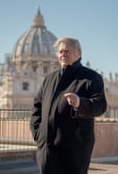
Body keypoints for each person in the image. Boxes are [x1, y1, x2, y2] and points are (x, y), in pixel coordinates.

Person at [30, 37, 107, 174]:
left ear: (78, 54)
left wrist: (79, 103)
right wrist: (38, 133)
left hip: (75, 151)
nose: (63, 55)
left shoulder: (91, 78)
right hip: (47, 150)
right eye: (60, 52)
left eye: (67, 51)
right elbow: (37, 106)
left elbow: (100, 105)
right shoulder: (49, 78)